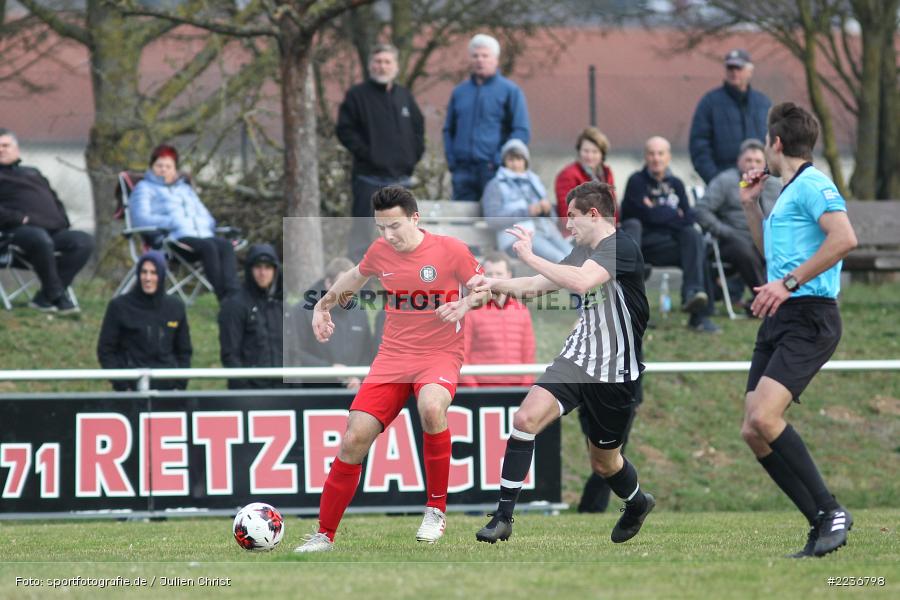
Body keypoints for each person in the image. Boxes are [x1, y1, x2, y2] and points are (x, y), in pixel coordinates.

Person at [294, 186, 487, 553]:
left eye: (395, 226)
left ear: (415, 218)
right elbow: (354, 277)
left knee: (432, 408)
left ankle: (435, 510)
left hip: (439, 353)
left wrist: (463, 305)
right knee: (354, 438)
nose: (388, 236)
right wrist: (323, 306)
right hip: (393, 357)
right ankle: (324, 535)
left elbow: (484, 289)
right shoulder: (380, 250)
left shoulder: (450, 250)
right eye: (381, 228)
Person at [472, 181, 655, 545]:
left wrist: (529, 254)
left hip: (614, 372)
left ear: (593, 214)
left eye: (571, 217)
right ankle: (503, 517)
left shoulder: (621, 246)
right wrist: (492, 283)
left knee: (605, 463)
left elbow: (583, 281)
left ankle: (636, 503)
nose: (567, 225)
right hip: (577, 359)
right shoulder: (582, 250)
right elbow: (537, 286)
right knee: (524, 419)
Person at [739, 102, 858, 558]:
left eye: (765, 144)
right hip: (780, 315)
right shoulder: (786, 190)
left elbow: (845, 238)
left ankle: (831, 511)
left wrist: (789, 283)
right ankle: (819, 523)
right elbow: (770, 255)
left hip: (810, 315)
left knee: (766, 418)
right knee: (753, 429)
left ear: (776, 142)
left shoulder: (813, 183)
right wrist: (751, 206)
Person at [336, 43, 425, 262]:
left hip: (401, 181)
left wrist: (412, 156)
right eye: (377, 62)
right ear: (370, 66)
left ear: (395, 66)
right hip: (368, 179)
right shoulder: (357, 96)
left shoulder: (404, 96)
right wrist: (368, 154)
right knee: (363, 235)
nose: (382, 66)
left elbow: (418, 129)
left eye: (387, 62)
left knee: (404, 235)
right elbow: (345, 130)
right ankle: (356, 287)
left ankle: (399, 284)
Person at [621, 136, 719, 333]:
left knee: (693, 237)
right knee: (634, 225)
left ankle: (694, 301)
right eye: (651, 153)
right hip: (643, 248)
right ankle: (630, 312)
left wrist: (656, 212)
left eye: (660, 153)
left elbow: (689, 218)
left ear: (668, 157)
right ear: (645, 157)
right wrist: (672, 214)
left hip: (670, 245)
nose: (656, 158)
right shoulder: (636, 182)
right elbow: (638, 214)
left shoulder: (677, 184)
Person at [0, 128, 94, 314]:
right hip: (16, 233)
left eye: (6, 145)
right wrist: (19, 218)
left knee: (83, 241)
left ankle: (44, 298)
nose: (1, 150)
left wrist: (63, 221)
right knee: (39, 238)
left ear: (16, 149)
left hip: (53, 230)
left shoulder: (32, 172)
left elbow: (54, 199)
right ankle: (57, 296)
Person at [129, 144, 239, 301]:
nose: (164, 169)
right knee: (209, 247)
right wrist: (171, 222)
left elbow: (205, 214)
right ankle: (224, 299)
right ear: (152, 167)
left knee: (225, 246)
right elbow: (140, 219)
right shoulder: (144, 188)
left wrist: (205, 223)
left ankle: (235, 295)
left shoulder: (185, 189)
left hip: (202, 234)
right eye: (159, 165)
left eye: (168, 166)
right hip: (175, 239)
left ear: (175, 169)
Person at [443, 34, 530, 201]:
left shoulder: (510, 91)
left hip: (495, 172)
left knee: (497, 222)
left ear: (495, 59)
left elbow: (521, 131)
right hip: (463, 171)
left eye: (485, 56)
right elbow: (449, 129)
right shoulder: (459, 92)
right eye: (475, 56)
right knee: (462, 223)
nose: (480, 60)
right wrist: (452, 160)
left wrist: (499, 160)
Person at [696, 139, 781, 304]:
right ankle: (766, 300)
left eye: (757, 161)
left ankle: (784, 297)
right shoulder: (725, 181)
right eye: (748, 160)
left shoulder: (773, 184)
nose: (752, 165)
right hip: (730, 240)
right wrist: (724, 231)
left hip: (765, 238)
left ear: (765, 163)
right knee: (744, 249)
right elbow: (701, 210)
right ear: (739, 161)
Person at [97, 251, 192, 391]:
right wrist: (122, 386)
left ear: (161, 275)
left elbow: (184, 351)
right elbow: (106, 350)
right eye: (144, 272)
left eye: (153, 273)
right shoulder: (119, 306)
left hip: (168, 390)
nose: (148, 278)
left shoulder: (175, 307)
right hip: (131, 390)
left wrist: (179, 386)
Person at [288, 256, 374, 390]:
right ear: (328, 283)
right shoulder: (303, 311)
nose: (349, 291)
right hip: (316, 392)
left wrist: (359, 377)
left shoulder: (359, 312)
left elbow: (368, 352)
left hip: (355, 392)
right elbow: (294, 353)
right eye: (343, 284)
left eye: (353, 284)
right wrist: (329, 369)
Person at [690, 49, 772, 184]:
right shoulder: (710, 103)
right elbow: (699, 147)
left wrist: (767, 176)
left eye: (738, 68)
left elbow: (773, 143)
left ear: (750, 71)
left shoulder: (764, 104)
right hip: (724, 184)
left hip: (761, 183)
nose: (734, 72)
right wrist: (717, 181)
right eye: (730, 67)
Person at [481, 139, 571, 262]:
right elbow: (492, 219)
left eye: (519, 159)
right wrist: (527, 212)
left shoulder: (534, 180)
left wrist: (547, 210)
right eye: (510, 160)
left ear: (525, 161)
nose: (515, 164)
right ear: (504, 162)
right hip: (518, 237)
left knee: (574, 255)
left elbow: (553, 217)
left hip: (546, 230)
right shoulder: (495, 185)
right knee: (561, 260)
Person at [460, 252, 535, 388]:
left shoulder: (522, 310)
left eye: (499, 274)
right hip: (481, 389)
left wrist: (525, 387)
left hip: (516, 389)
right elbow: (462, 355)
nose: (494, 279)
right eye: (490, 274)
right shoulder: (471, 311)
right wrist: (474, 390)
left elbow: (528, 354)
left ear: (509, 276)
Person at [218, 243, 284, 389]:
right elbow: (230, 355)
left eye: (268, 267)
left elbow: (294, 352)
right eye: (258, 267)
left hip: (283, 391)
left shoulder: (281, 306)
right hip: (250, 393)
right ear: (250, 270)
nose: (263, 273)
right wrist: (245, 391)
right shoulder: (234, 306)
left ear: (275, 270)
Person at [554, 127, 617, 234]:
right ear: (579, 152)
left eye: (595, 152)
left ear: (602, 155)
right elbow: (567, 213)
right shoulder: (568, 175)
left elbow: (612, 208)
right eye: (586, 151)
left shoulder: (606, 174)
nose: (589, 156)